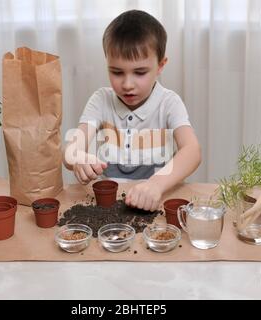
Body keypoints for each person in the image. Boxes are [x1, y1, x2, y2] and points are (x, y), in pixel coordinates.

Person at [63, 9, 201, 211]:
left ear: (161, 65)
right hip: (109, 208)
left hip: (155, 203)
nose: (127, 84)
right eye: (117, 72)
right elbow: (69, 151)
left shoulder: (169, 103)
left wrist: (155, 184)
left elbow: (193, 151)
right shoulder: (101, 100)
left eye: (140, 72)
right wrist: (77, 158)